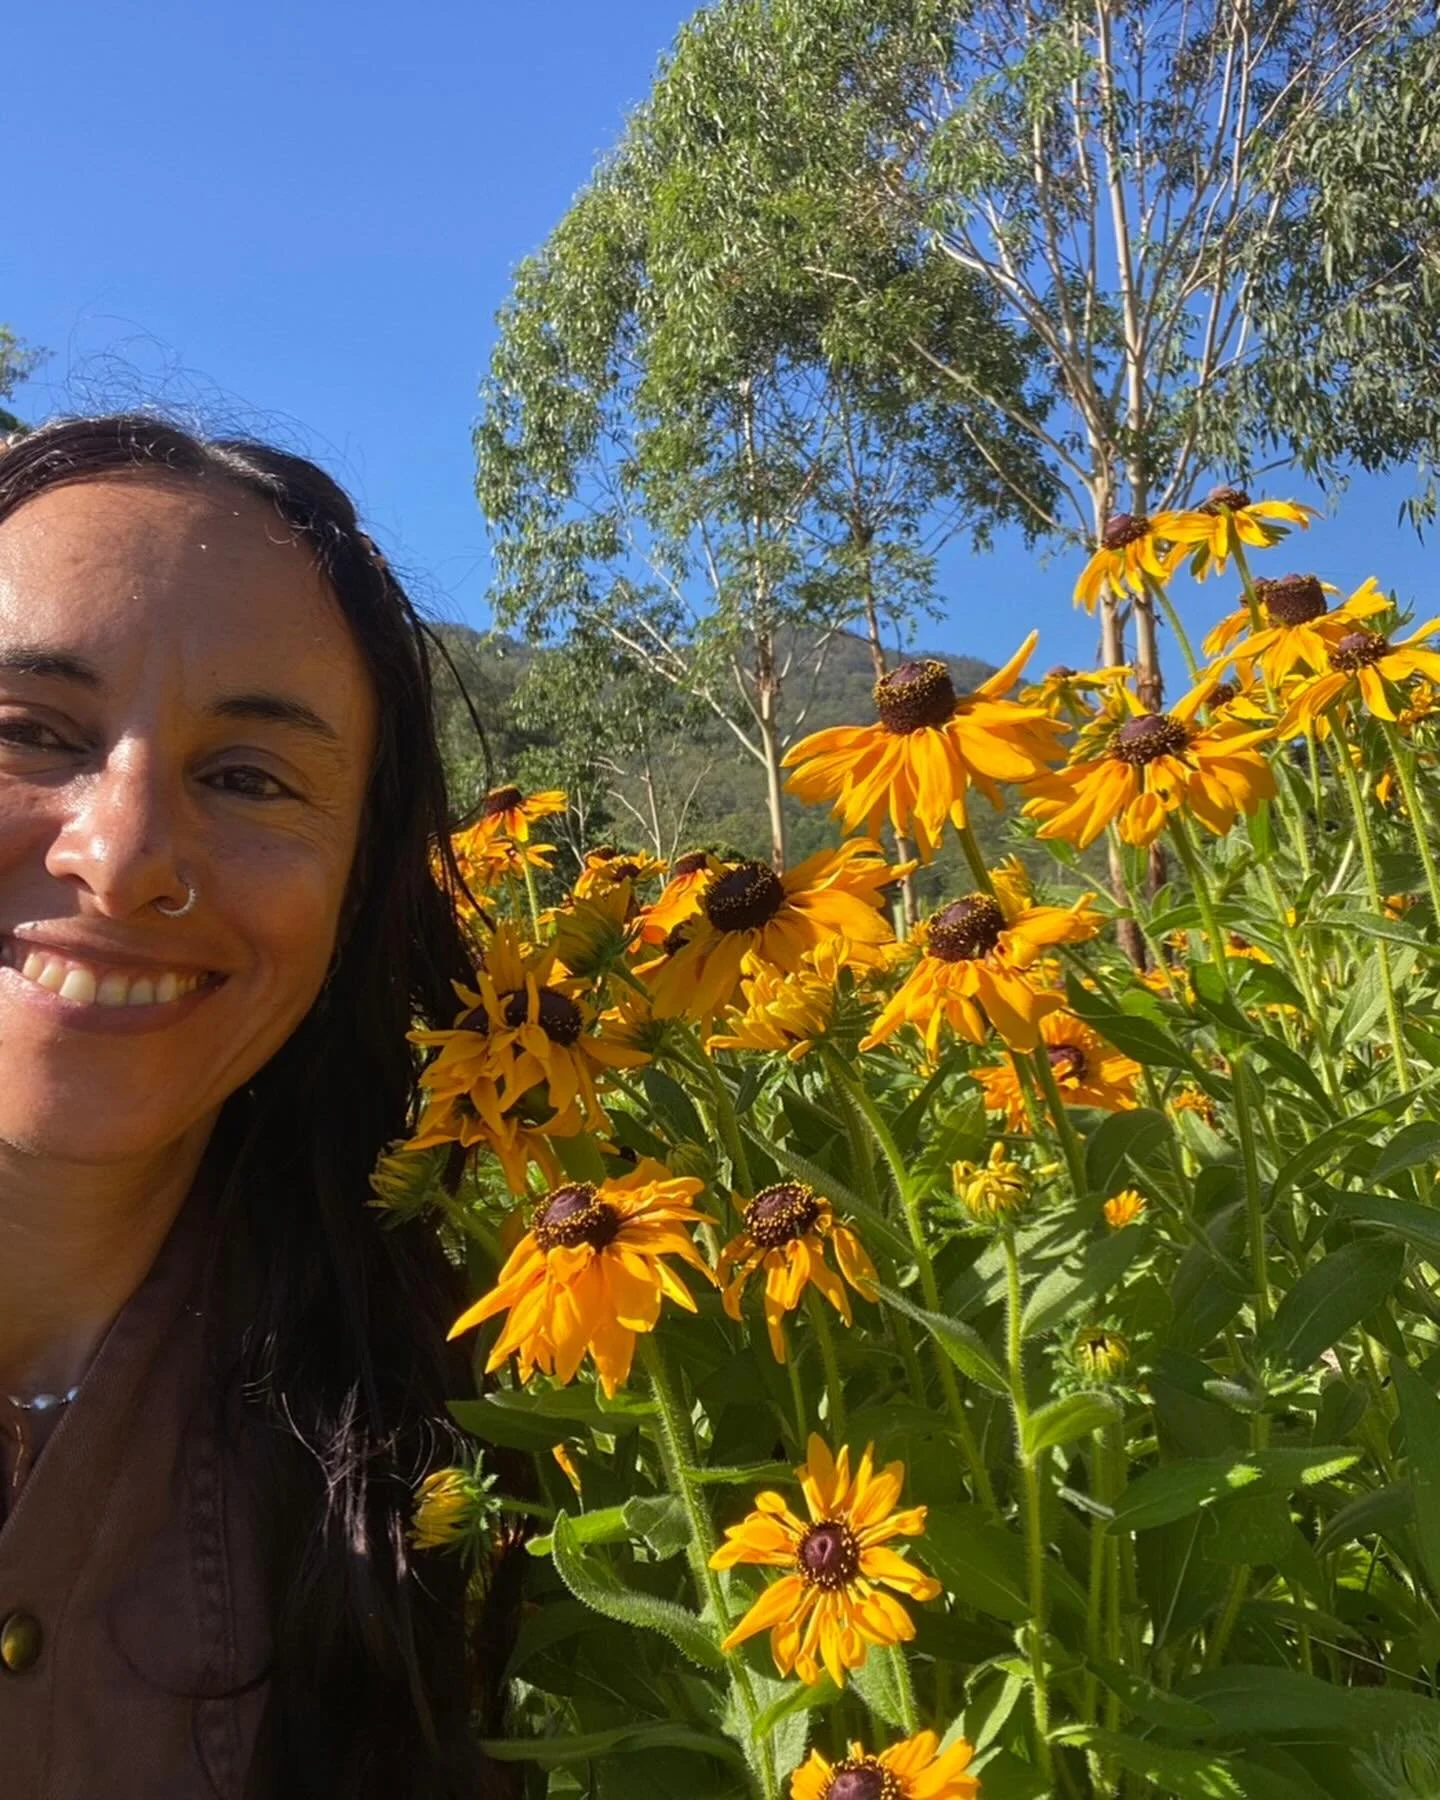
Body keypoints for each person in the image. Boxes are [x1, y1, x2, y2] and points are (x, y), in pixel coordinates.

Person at [0, 416, 511, 1797]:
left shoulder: (460, 1446)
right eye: (28, 731)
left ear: (356, 896)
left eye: (247, 777)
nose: (123, 858)